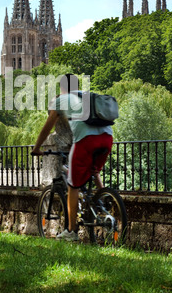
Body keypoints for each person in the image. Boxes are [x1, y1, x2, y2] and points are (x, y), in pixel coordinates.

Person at [31, 74, 113, 241]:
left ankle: (71, 231)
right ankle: (103, 200)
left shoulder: (61, 100)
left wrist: (37, 148)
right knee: (93, 170)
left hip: (86, 141)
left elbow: (48, 126)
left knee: (73, 186)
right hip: (107, 138)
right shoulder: (88, 96)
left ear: (62, 87)